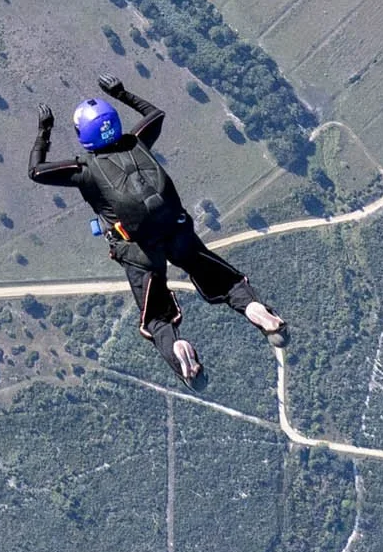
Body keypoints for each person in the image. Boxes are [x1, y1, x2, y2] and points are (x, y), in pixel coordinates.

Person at [29, 76, 285, 380]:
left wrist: (44, 131)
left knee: (156, 318)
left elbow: (36, 171)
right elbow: (156, 114)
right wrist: (121, 93)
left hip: (138, 250)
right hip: (177, 230)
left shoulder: (83, 170)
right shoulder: (138, 141)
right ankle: (255, 310)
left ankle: (179, 351)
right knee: (222, 279)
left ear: (82, 134)